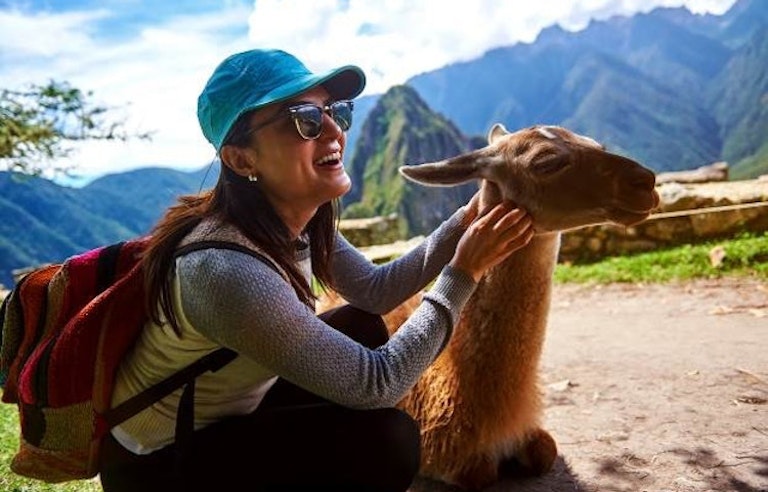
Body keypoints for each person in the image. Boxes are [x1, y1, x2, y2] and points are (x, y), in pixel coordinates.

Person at [98, 48, 534, 492]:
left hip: (236, 414)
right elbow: (377, 383)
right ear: (241, 159)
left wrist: (467, 216)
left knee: (362, 324)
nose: (332, 130)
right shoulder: (224, 269)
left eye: (335, 112)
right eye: (302, 119)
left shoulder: (296, 218)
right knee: (387, 442)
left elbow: (375, 291)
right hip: (159, 463)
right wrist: (463, 272)